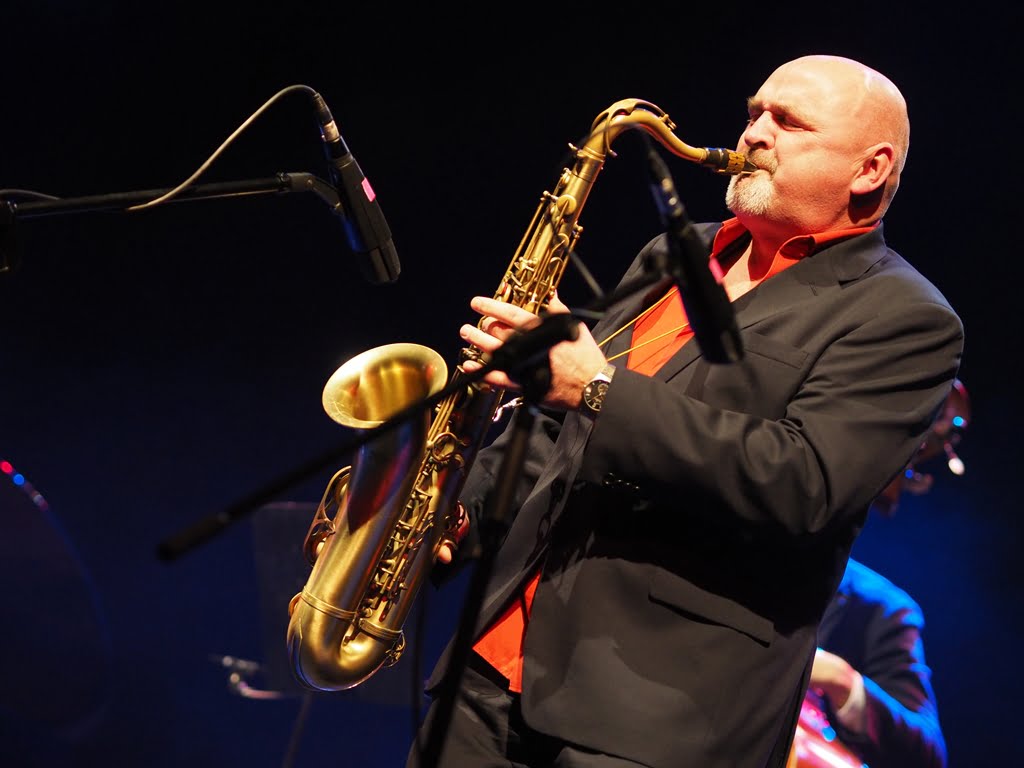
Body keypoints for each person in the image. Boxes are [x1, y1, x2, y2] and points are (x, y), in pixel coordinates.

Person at [408, 54, 965, 768]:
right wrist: (465, 510)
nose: (754, 133)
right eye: (754, 112)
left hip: (653, 719)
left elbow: (803, 481)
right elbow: (558, 427)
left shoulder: (905, 316)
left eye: (788, 122)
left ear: (870, 169)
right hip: (490, 667)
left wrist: (597, 387)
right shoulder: (677, 253)